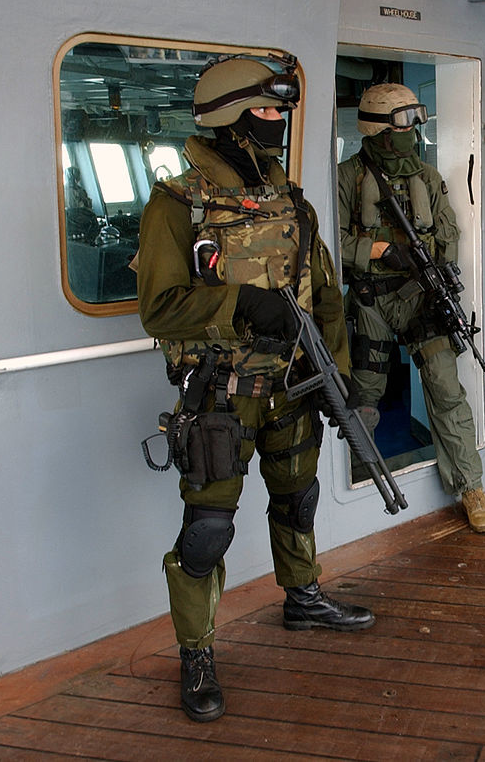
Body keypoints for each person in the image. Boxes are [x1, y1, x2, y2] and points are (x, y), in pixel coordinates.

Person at [135, 57, 373, 723]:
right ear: (228, 118)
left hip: (292, 387)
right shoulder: (176, 204)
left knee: (299, 499)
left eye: (279, 113)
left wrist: (340, 373)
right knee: (207, 529)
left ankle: (303, 598)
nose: (276, 125)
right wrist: (239, 303)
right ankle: (197, 652)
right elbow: (159, 306)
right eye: (265, 113)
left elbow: (326, 295)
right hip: (221, 393)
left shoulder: (292, 201)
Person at [337, 83, 485, 533]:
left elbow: (447, 238)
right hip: (371, 297)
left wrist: (442, 284)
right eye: (407, 121)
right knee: (365, 392)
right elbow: (329, 240)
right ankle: (358, 487)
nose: (416, 128)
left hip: (421, 297)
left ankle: (471, 486)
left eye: (416, 119)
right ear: (381, 130)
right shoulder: (347, 178)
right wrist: (379, 250)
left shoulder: (426, 177)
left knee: (447, 389)